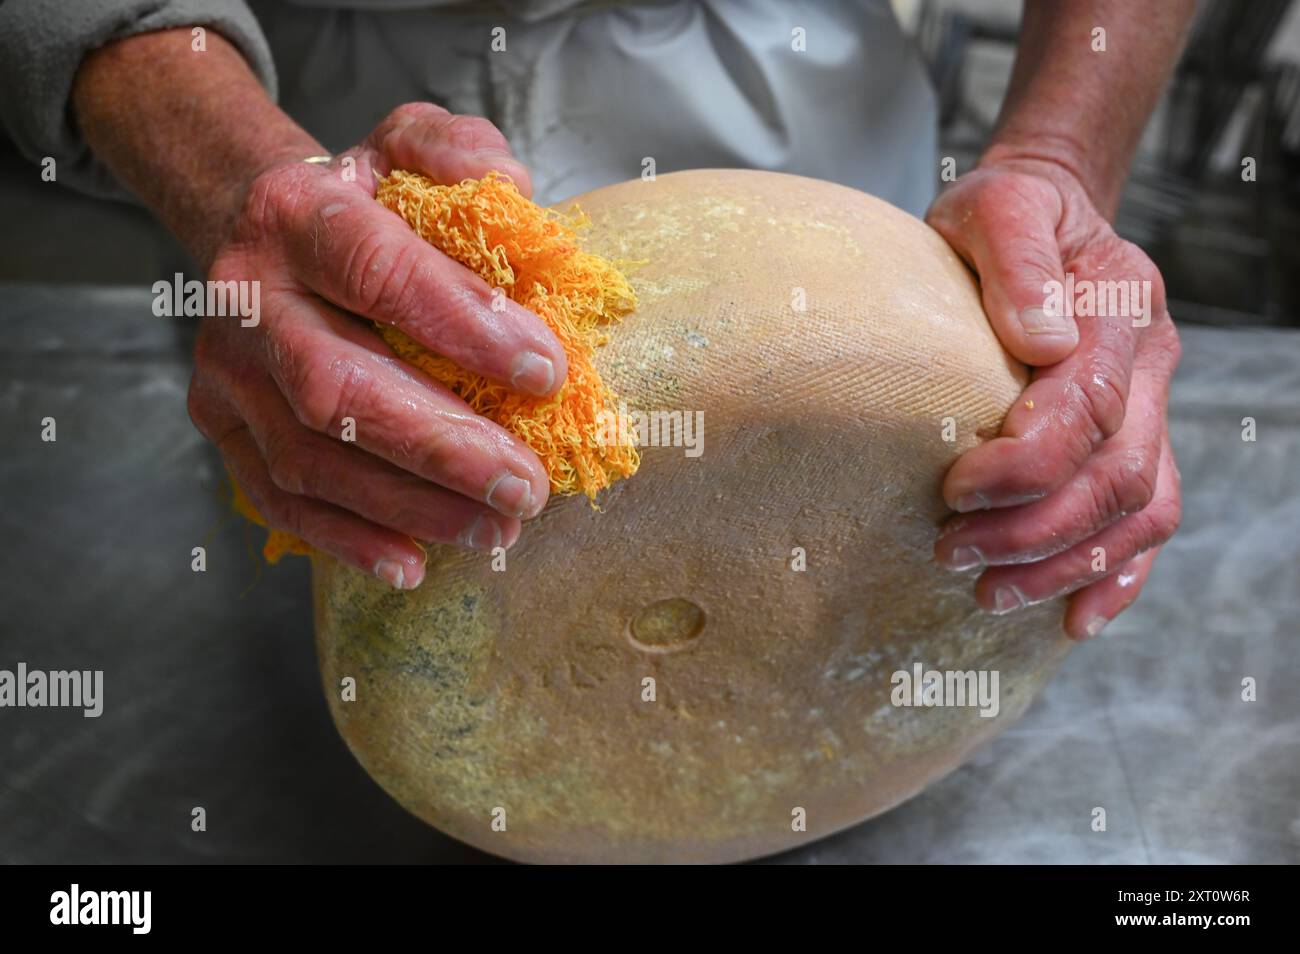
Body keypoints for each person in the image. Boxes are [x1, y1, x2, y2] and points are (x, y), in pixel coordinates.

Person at [0, 0, 1189, 639]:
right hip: (291, 106)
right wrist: (232, 179)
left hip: (798, 121)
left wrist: (1057, 161)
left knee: (887, 544)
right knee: (362, 585)